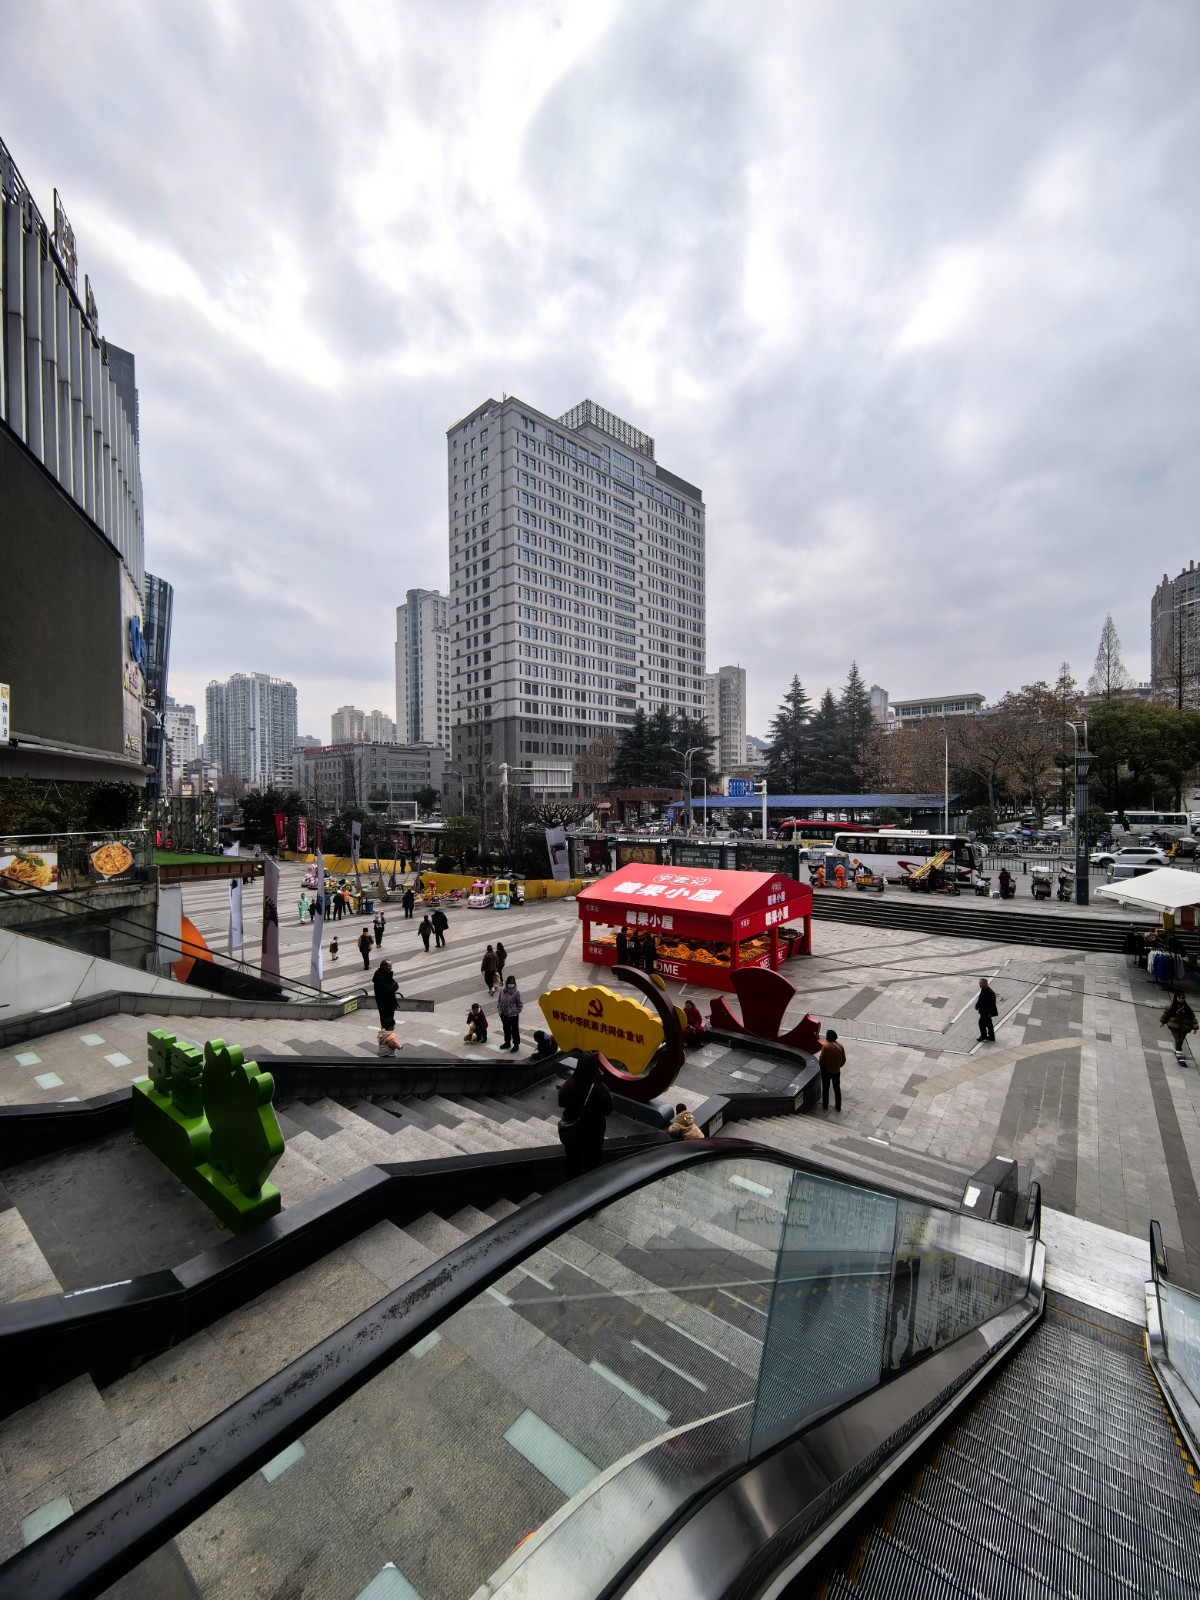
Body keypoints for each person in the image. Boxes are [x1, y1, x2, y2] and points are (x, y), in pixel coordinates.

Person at [557, 1055, 613, 1178]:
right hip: (594, 1130)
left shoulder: (569, 1083)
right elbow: (608, 1110)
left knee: (572, 1160)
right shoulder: (601, 1089)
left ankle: (572, 1182)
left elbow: (561, 1103)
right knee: (592, 1160)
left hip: (573, 1129)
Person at [1161, 992, 1197, 1061]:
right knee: (1178, 1039)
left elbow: (1192, 1017)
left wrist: (1194, 1027)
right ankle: (1179, 1052)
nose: (1181, 999)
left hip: (1185, 1027)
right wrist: (1163, 1021)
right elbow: (1166, 1014)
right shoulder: (1172, 1007)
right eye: (1179, 998)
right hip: (1174, 1026)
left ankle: (1178, 1049)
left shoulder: (1187, 1008)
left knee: (1181, 1040)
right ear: (1176, 998)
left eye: (1183, 998)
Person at [819, 1028, 846, 1111]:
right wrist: (837, 1066)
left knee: (826, 1088)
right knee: (837, 1088)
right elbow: (843, 1060)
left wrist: (823, 1066)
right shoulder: (840, 1046)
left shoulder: (826, 1046)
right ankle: (838, 1106)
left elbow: (821, 1060)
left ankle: (825, 1105)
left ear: (828, 1037)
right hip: (836, 1071)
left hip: (826, 1071)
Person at [372, 958, 399, 1031]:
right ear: (384, 967)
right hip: (386, 1004)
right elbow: (389, 989)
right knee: (387, 1021)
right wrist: (395, 985)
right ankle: (387, 1036)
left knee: (387, 1021)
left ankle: (386, 1035)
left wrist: (394, 984)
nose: (391, 967)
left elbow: (392, 984)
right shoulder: (381, 978)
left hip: (387, 1003)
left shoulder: (384, 974)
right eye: (390, 966)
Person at [497, 975, 523, 1050]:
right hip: (504, 1014)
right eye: (509, 982)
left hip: (513, 1015)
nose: (510, 984)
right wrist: (499, 1010)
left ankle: (516, 1044)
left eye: (512, 983)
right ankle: (507, 1042)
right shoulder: (502, 991)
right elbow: (499, 1000)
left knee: (515, 1030)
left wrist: (516, 1011)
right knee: (506, 1029)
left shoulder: (517, 992)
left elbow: (520, 1004)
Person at [975, 978, 999, 1042]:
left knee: (981, 1023)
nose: (980, 985)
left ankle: (984, 1036)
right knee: (988, 1024)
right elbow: (980, 999)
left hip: (986, 1012)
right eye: (979, 983)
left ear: (985, 984)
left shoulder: (990, 992)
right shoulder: (983, 990)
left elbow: (992, 1004)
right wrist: (977, 1005)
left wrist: (990, 1013)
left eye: (981, 983)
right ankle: (991, 1036)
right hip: (983, 1011)